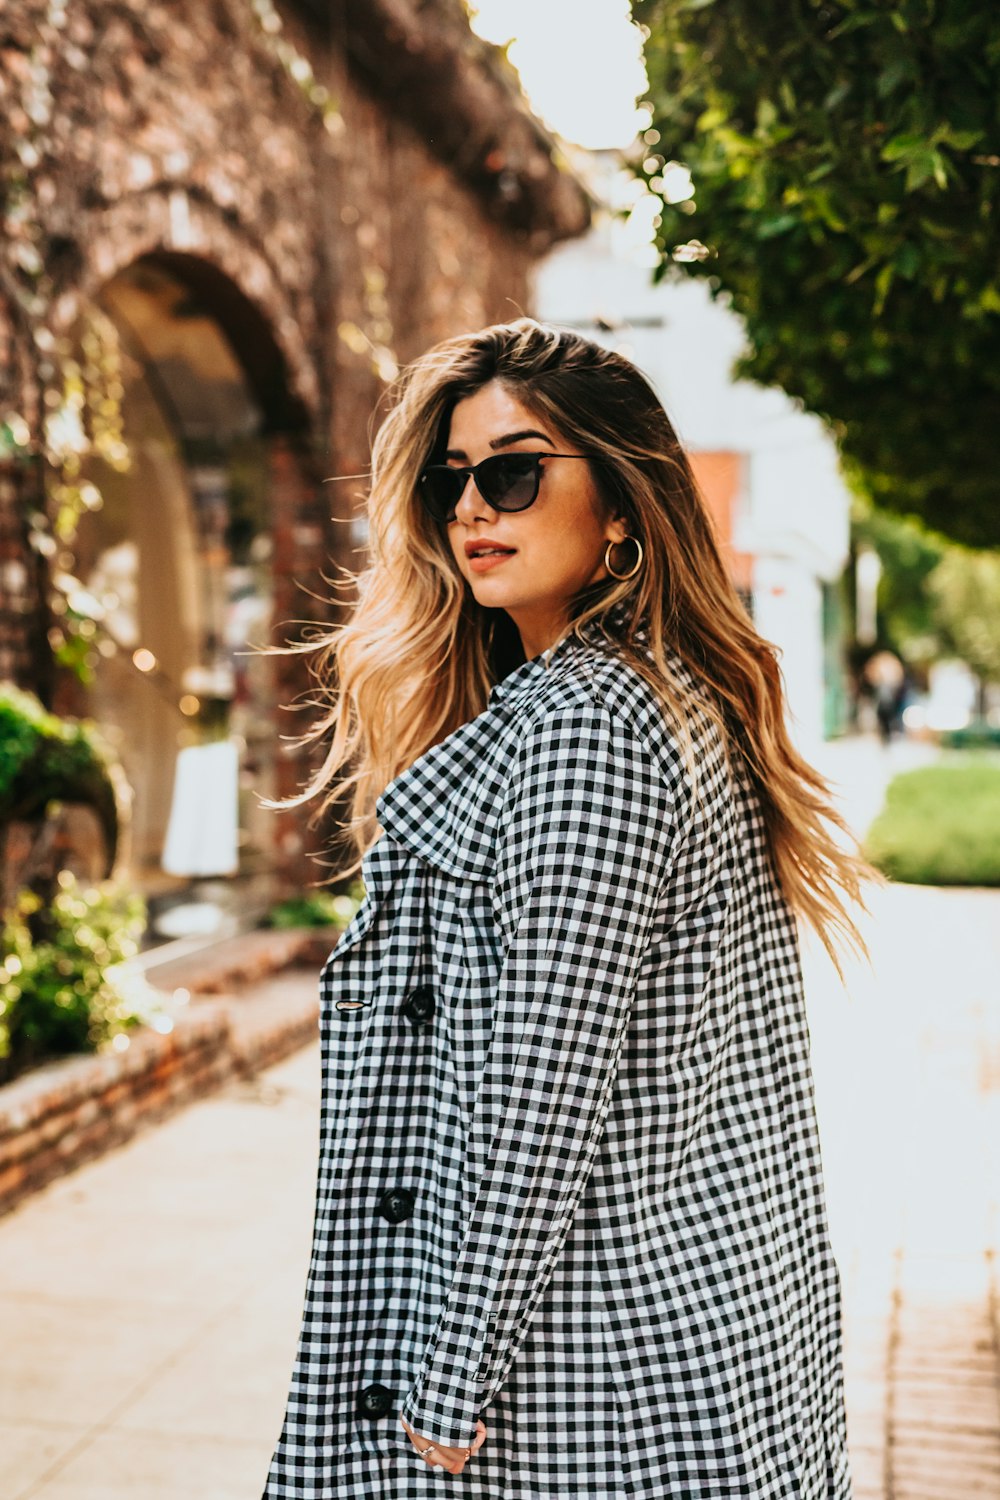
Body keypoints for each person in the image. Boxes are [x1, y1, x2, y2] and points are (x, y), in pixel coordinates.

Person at [260, 319, 882, 1499]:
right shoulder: (648, 696)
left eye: (513, 469)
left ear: (620, 507)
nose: (470, 509)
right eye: (452, 479)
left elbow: (539, 1092)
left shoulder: (592, 726)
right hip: (677, 1341)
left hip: (578, 1378)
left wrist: (447, 1374)